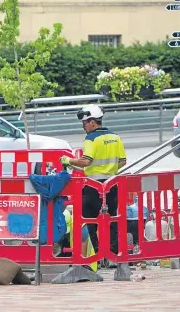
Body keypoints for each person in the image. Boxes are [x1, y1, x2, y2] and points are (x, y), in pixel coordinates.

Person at [60, 104, 126, 258]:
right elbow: (122, 161)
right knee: (111, 219)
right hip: (111, 185)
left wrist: (68, 160)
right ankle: (113, 254)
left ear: (92, 122)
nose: (84, 127)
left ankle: (94, 253)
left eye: (84, 124)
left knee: (87, 220)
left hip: (93, 188)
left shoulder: (91, 139)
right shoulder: (115, 137)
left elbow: (86, 161)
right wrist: (107, 170)